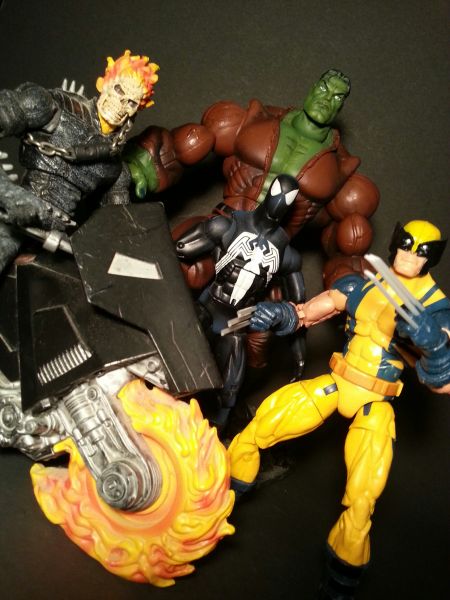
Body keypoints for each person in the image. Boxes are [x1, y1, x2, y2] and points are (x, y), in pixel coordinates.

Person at [227, 220, 450, 599]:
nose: (410, 255)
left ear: (433, 258)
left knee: (362, 499)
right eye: (406, 243)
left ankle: (341, 579)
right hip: (338, 381)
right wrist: (281, 314)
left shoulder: (437, 310)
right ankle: (222, 498)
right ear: (395, 242)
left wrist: (434, 345)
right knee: (260, 427)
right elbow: (313, 310)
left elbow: (443, 382)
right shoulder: (365, 285)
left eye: (421, 250)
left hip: (375, 402)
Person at [126, 69, 380, 291]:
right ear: (313, 88)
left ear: (340, 106)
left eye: (337, 97)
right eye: (324, 89)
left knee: (259, 326)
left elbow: (348, 240)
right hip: (222, 224)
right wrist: (142, 165)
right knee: (176, 270)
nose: (326, 100)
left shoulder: (340, 168)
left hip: (267, 258)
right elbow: (186, 145)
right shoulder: (257, 119)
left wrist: (350, 282)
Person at [0, 50, 159, 273]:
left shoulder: (116, 170)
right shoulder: (52, 106)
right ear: (104, 83)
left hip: (57, 238)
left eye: (131, 102)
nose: (121, 104)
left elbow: (120, 229)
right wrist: (8, 193)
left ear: (136, 110)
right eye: (119, 90)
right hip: (14, 220)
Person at [176, 174, 305, 429]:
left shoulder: (285, 255)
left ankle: (218, 430)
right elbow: (178, 248)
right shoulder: (228, 226)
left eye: (287, 198)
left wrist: (299, 355)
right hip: (208, 305)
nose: (280, 202)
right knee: (180, 352)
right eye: (278, 194)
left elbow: (300, 307)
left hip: (237, 321)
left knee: (231, 384)